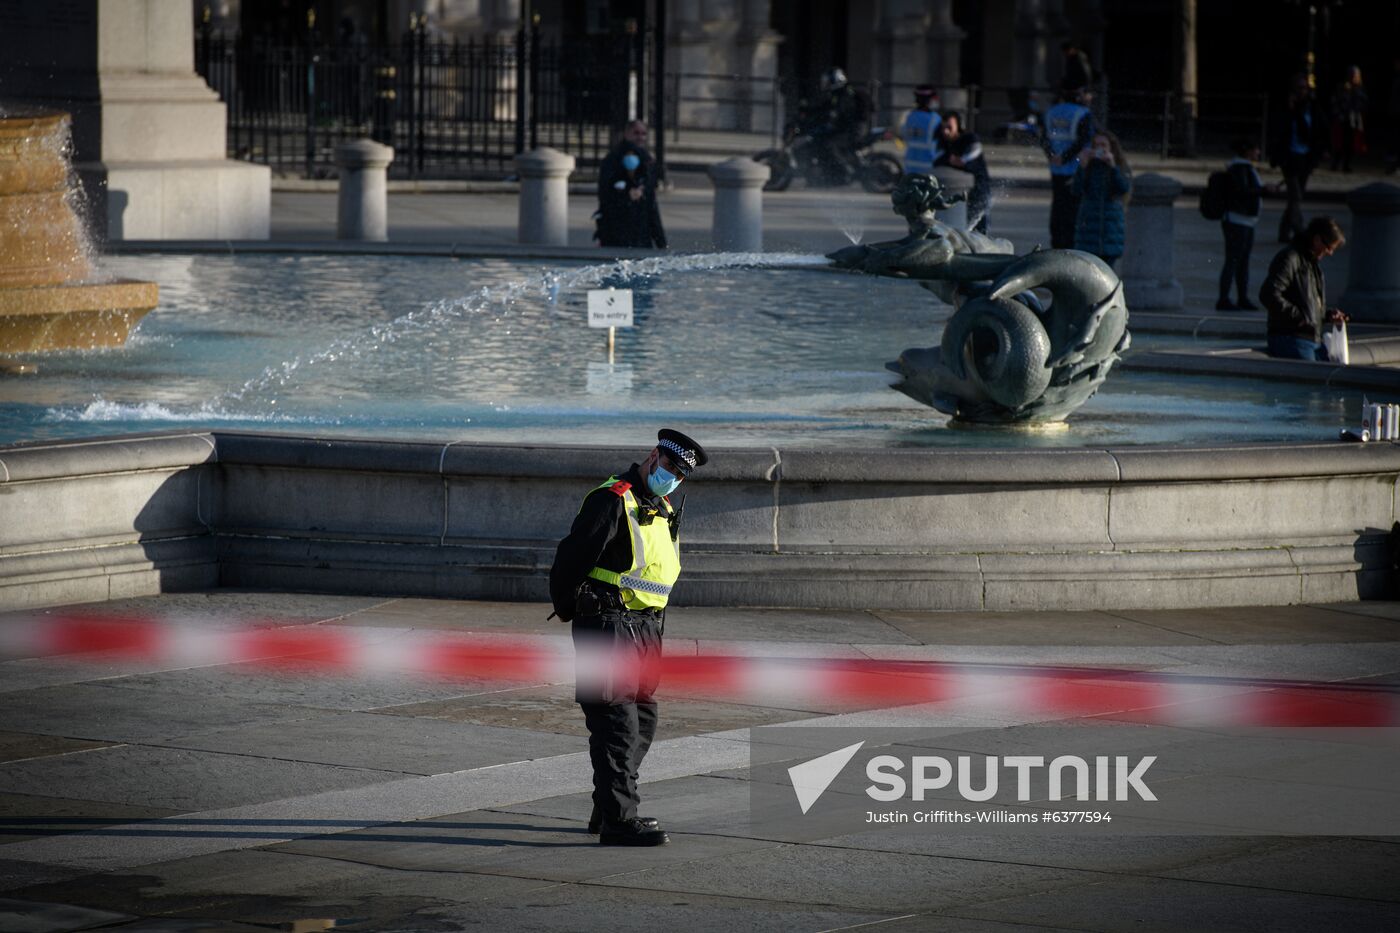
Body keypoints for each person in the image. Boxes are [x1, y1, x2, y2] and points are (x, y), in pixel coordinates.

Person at [548, 429, 709, 847]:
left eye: (681, 474)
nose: (673, 477)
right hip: (608, 624)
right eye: (670, 466)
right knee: (616, 724)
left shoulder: (660, 505)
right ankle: (620, 820)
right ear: (654, 456)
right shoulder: (613, 498)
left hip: (646, 628)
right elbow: (570, 559)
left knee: (643, 722)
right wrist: (576, 608)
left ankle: (609, 806)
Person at [1260, 216, 1347, 361]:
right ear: (1317, 239)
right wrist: (1299, 318)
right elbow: (1268, 294)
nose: (1330, 253)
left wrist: (1327, 315)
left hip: (1310, 339)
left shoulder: (1311, 264)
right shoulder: (1291, 258)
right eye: (1329, 248)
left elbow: (1307, 303)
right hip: (1291, 338)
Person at [1268, 75, 1325, 244]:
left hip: (1305, 158)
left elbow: (1319, 130)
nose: (1302, 92)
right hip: (1289, 158)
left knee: (1296, 197)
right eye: (1299, 88)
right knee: (1296, 196)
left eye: (1304, 88)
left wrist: (1319, 152)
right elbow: (1278, 131)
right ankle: (1299, 229)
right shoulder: (1287, 109)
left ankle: (1284, 232)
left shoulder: (1311, 108)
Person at [594, 121, 667, 250]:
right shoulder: (614, 159)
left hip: (640, 227)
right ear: (627, 134)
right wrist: (627, 193)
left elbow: (651, 203)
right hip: (616, 227)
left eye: (643, 134)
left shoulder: (647, 160)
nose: (640, 137)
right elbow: (606, 193)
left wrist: (660, 240)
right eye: (636, 133)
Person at [1041, 87, 1096, 249]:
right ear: (1079, 96)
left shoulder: (1051, 112)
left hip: (1056, 168)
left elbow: (1043, 138)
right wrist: (1066, 158)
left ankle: (1056, 243)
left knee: (1057, 206)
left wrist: (1052, 156)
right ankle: (1070, 246)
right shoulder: (1083, 113)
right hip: (1074, 168)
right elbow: (1083, 140)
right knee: (1073, 210)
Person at [1216, 138, 1266, 311]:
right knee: (1233, 260)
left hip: (1245, 221)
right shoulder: (1239, 168)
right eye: (1256, 149)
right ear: (1247, 151)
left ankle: (1242, 297)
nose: (1258, 152)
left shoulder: (1243, 167)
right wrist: (1264, 190)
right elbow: (1241, 192)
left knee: (1242, 261)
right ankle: (1224, 299)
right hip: (1237, 221)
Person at [1070, 130, 1130, 268]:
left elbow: (1124, 188)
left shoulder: (1118, 166)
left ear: (1111, 148)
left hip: (1110, 229)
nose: (1099, 149)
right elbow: (1076, 190)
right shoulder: (1088, 167)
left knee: (1107, 274)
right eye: (1096, 145)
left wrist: (1113, 166)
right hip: (1089, 228)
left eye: (1103, 145)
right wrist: (1082, 167)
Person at [934, 110, 992, 233]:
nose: (946, 131)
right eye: (943, 128)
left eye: (949, 127)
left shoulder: (970, 139)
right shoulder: (943, 142)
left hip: (979, 186)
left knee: (980, 225)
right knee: (963, 226)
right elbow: (937, 160)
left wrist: (960, 161)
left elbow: (969, 157)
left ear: (959, 126)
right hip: (961, 191)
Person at [810, 67, 871, 183]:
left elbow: (840, 111)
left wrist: (831, 118)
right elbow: (826, 107)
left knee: (830, 145)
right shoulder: (837, 94)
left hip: (855, 130)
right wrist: (809, 111)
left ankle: (846, 171)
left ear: (835, 81)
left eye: (827, 81)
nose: (825, 84)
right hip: (848, 128)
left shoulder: (845, 94)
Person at [1329, 65, 1368, 172]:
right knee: (1339, 142)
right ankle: (1335, 163)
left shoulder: (1359, 89)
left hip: (1353, 119)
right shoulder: (1342, 87)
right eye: (1354, 75)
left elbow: (1362, 102)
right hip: (1343, 118)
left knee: (1350, 143)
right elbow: (1336, 101)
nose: (1356, 77)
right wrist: (1338, 113)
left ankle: (1346, 164)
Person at [899, 84, 942, 177]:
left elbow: (904, 136)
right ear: (931, 100)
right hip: (929, 167)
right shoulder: (935, 119)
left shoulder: (909, 117)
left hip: (910, 166)